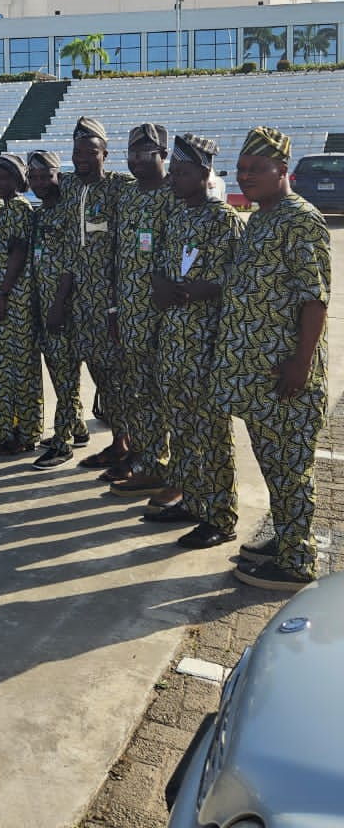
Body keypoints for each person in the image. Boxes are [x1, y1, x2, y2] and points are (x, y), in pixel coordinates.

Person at [214, 126, 331, 591]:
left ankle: (298, 561)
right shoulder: (260, 218)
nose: (246, 177)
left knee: (292, 468)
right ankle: (286, 537)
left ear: (283, 169)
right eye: (241, 170)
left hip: (287, 376)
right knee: (274, 466)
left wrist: (300, 364)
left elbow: (314, 300)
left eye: (256, 169)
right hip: (258, 377)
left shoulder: (301, 219)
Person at [148, 133, 244, 546]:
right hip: (173, 340)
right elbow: (154, 262)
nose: (173, 179)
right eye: (173, 172)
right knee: (183, 428)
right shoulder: (175, 216)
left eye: (182, 173)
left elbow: (238, 280)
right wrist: (161, 286)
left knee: (211, 433)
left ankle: (221, 517)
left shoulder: (225, 220)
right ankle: (192, 499)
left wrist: (193, 291)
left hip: (205, 344)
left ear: (204, 173)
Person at [47, 117, 130, 472]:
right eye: (76, 152)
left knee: (118, 379)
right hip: (80, 302)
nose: (81, 158)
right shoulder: (69, 190)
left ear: (105, 154)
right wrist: (61, 300)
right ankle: (118, 445)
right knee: (100, 376)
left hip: (111, 301)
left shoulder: (119, 189)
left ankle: (129, 447)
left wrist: (118, 303)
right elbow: (70, 251)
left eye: (89, 152)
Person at [108, 124, 176, 499]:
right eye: (131, 154)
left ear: (162, 155)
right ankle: (147, 462)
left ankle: (169, 470)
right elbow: (121, 255)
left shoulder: (177, 193)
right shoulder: (129, 196)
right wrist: (116, 308)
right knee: (139, 393)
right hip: (131, 313)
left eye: (145, 153)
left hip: (166, 318)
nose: (136, 161)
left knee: (166, 396)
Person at [28, 149, 89, 469]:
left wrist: (58, 306)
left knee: (65, 376)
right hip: (45, 304)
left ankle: (62, 443)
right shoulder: (41, 213)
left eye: (45, 175)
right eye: (33, 176)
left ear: (58, 174)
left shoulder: (67, 211)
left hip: (64, 307)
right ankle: (78, 428)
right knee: (60, 372)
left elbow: (71, 264)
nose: (39, 182)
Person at [0, 152, 43, 455]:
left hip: (14, 300)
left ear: (18, 179)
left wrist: (3, 294)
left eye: (4, 177)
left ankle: (27, 432)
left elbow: (18, 253)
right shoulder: (0, 209)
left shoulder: (19, 207)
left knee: (20, 369)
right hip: (1, 298)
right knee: (3, 368)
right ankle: (9, 428)